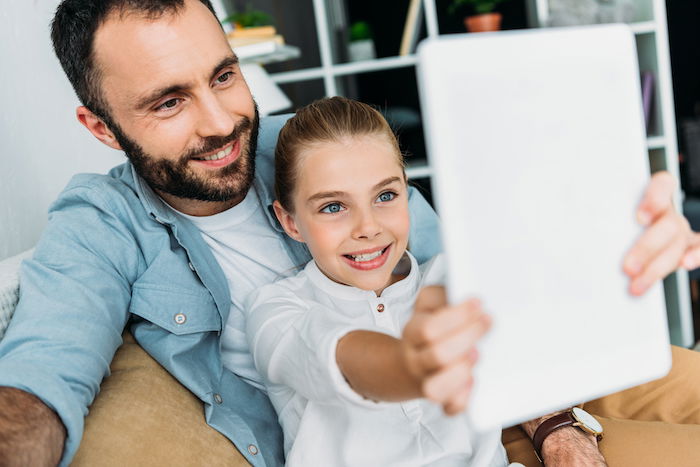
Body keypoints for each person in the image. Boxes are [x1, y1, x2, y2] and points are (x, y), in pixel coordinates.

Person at [0, 0, 696, 465]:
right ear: (100, 126)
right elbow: (38, 385)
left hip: (509, 395)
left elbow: (467, 267)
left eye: (223, 76)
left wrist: (604, 251)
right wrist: (421, 361)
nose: (219, 122)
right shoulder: (98, 225)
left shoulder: (309, 141)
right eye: (169, 101)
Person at [238, 96, 507, 466]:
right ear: (291, 222)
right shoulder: (275, 310)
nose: (368, 228)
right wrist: (410, 366)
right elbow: (335, 353)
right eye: (333, 206)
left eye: (385, 195)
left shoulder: (451, 279)